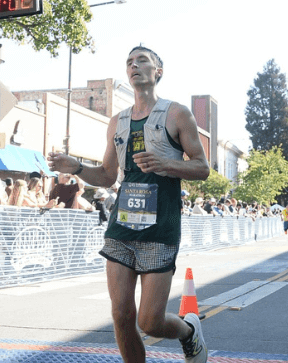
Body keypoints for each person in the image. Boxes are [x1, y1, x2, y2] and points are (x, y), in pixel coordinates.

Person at [48, 45, 210, 363]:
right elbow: (108, 176)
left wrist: (167, 164)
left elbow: (202, 167)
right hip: (121, 228)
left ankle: (189, 332)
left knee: (150, 321)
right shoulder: (117, 122)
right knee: (121, 315)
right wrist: (76, 167)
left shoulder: (177, 114)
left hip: (160, 229)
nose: (134, 65)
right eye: (129, 62)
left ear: (157, 72)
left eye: (142, 60)